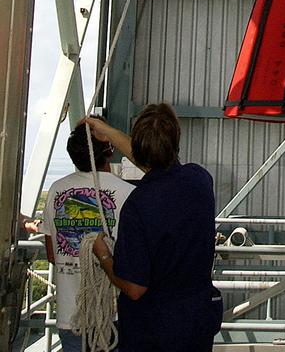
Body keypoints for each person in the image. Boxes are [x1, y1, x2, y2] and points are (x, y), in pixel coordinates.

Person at [85, 103, 223, 352]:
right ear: (176, 141)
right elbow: (156, 163)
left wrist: (103, 255)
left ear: (138, 149)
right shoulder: (200, 181)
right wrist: (108, 131)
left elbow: (134, 288)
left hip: (151, 333)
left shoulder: (137, 205)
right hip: (196, 325)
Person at [41, 122, 134, 352]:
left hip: (69, 314)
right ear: (109, 151)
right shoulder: (129, 194)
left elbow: (52, 254)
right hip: (114, 315)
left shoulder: (55, 190)